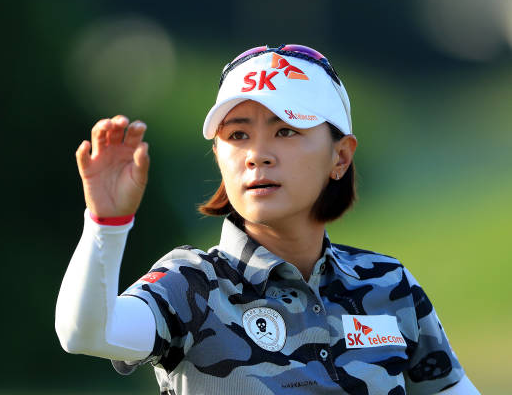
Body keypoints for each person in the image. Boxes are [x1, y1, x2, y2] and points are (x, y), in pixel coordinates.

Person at [55, 44, 480, 394]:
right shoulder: (191, 285)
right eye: (238, 135)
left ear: (341, 155)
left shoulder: (388, 285)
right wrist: (106, 224)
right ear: (219, 155)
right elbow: (85, 334)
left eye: (286, 131)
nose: (257, 153)